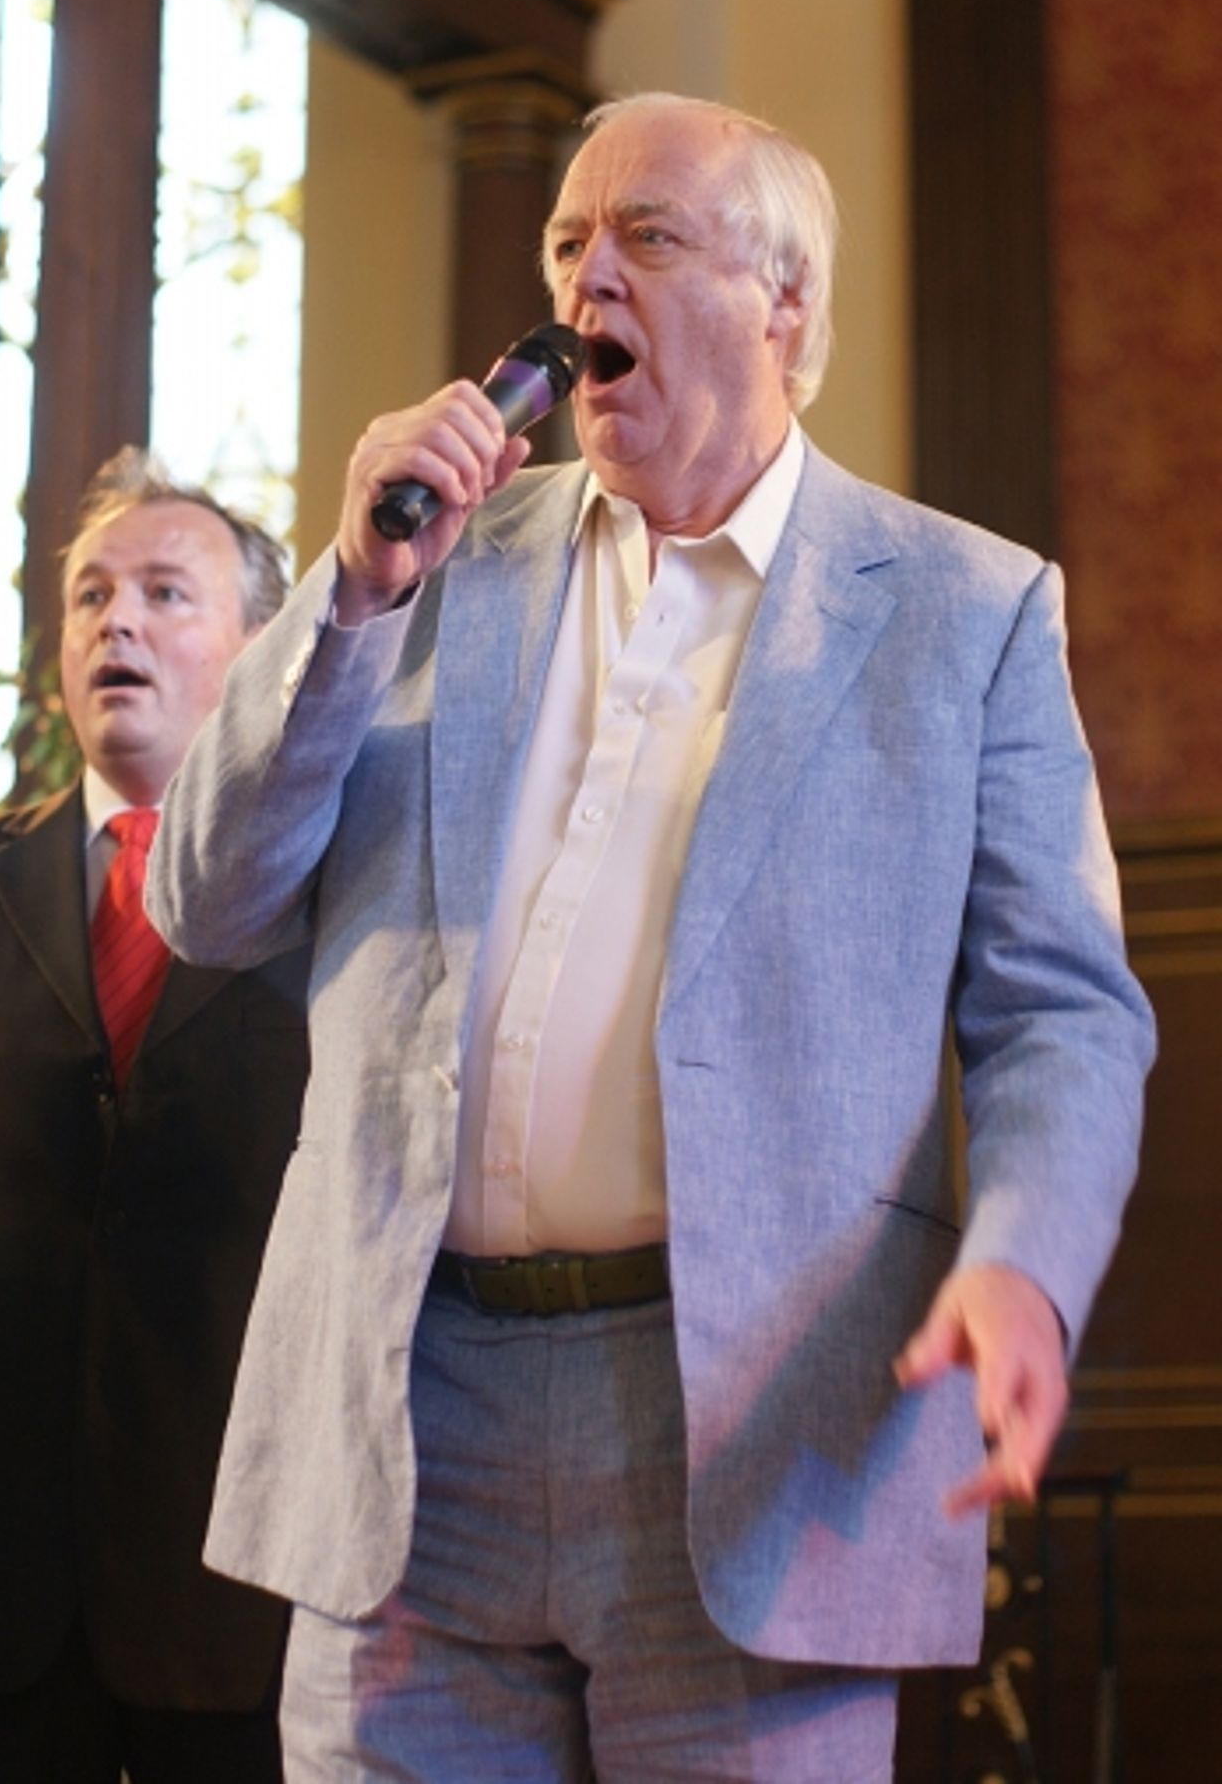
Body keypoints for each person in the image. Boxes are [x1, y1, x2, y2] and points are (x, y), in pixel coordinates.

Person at [148, 93, 1154, 1783]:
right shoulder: (431, 568)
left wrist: (1026, 1264)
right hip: (410, 1410)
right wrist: (353, 592)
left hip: (757, 1426)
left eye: (650, 237)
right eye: (567, 240)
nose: (586, 272)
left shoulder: (967, 612)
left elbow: (1065, 1014)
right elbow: (210, 899)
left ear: (789, 309)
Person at [0, 450, 310, 1784]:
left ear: (260, 650)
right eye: (91, 597)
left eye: (166, 592)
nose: (118, 623)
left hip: (252, 1585)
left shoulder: (335, 892)